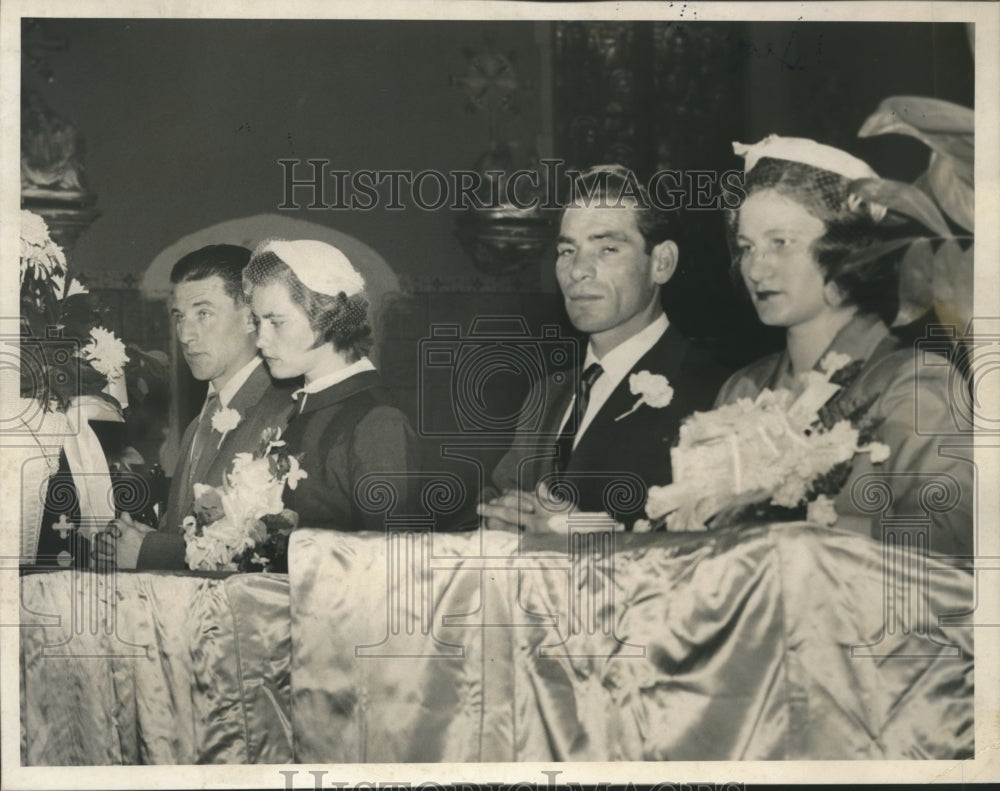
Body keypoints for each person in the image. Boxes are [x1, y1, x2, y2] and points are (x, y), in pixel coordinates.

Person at [715, 135, 973, 556]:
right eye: (747, 248)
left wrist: (800, 529)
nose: (757, 268)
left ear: (844, 249)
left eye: (781, 243)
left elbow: (956, 534)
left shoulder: (912, 382)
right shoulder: (742, 389)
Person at [479, 165, 730, 532]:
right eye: (567, 250)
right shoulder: (547, 394)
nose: (578, 270)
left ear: (661, 263)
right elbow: (498, 500)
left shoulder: (715, 393)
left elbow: (720, 553)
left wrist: (577, 530)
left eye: (607, 248)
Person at [94, 245, 299, 569]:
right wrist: (149, 537)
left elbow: (275, 554)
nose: (185, 334)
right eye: (179, 316)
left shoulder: (286, 413)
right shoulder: (198, 424)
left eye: (203, 313)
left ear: (250, 318)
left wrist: (150, 551)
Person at [243, 239, 421, 531]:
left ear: (326, 316)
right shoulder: (306, 407)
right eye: (258, 323)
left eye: (276, 322)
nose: (261, 341)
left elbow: (388, 562)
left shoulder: (378, 421)